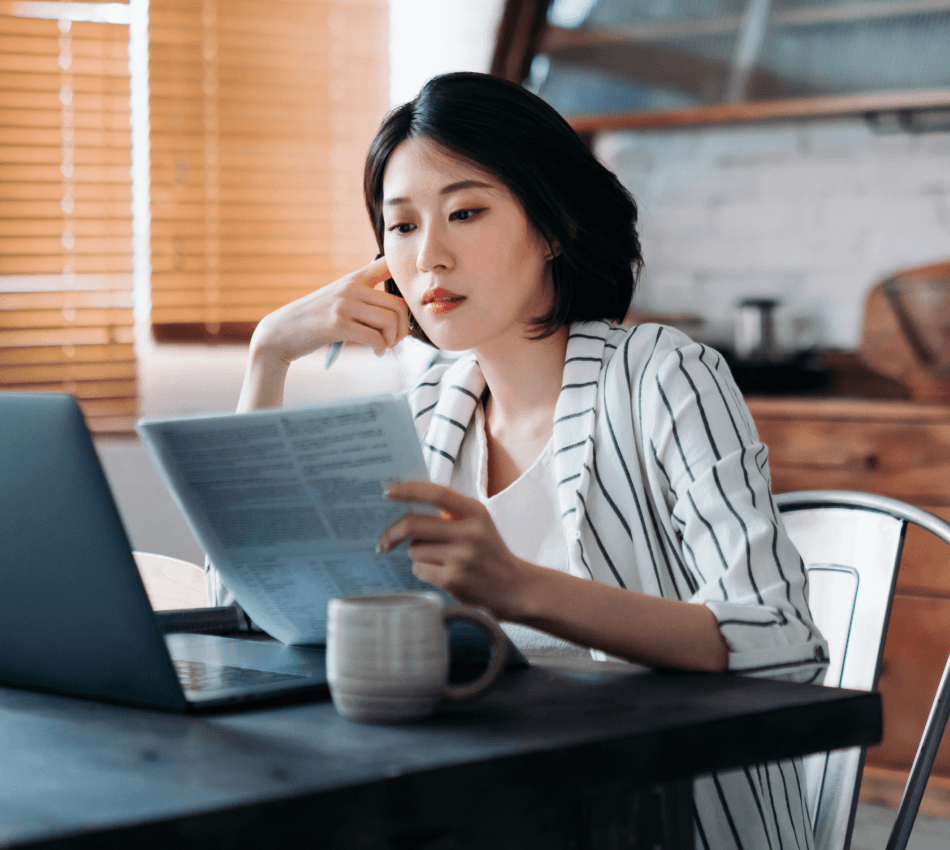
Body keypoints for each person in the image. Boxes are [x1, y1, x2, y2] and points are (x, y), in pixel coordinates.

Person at [218, 72, 828, 847]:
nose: (428, 256)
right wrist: (268, 356)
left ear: (553, 225)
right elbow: (248, 613)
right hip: (489, 807)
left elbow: (783, 641)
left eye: (465, 213)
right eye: (401, 226)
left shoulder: (662, 375)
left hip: (657, 818)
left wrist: (518, 586)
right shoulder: (424, 412)